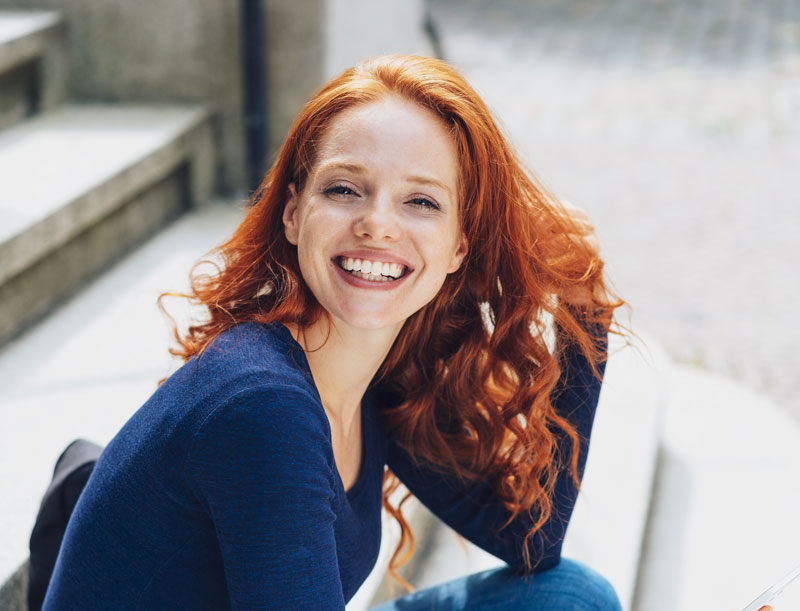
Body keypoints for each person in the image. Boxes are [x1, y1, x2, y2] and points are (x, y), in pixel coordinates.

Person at [42, 54, 625, 610]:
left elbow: (531, 538)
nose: (377, 223)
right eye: (344, 189)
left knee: (572, 599)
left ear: (459, 247)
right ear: (293, 214)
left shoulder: (373, 379)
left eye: (421, 201)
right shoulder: (263, 405)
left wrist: (585, 309)